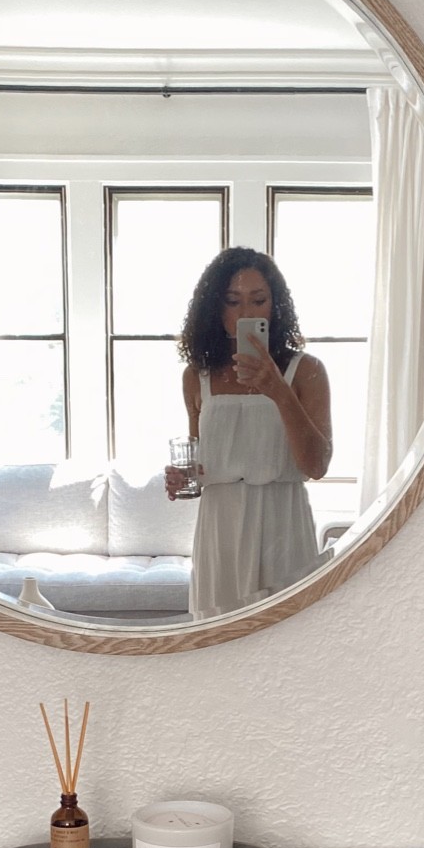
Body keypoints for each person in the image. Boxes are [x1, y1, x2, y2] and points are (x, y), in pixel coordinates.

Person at [168, 247, 332, 619]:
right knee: (216, 649)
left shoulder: (306, 371)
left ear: (275, 306)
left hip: (281, 523)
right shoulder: (197, 376)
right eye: (233, 301)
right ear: (215, 308)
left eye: (258, 300)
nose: (246, 313)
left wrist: (278, 389)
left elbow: (317, 465)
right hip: (219, 529)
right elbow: (202, 463)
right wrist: (183, 477)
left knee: (288, 649)